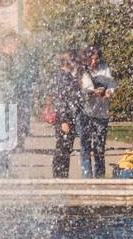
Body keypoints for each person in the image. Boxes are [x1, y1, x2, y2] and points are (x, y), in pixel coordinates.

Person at [78, 46, 114, 179]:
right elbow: (77, 91)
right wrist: (92, 92)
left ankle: (100, 176)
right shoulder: (82, 71)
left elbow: (111, 84)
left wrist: (110, 91)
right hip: (85, 113)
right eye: (91, 59)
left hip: (101, 113)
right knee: (85, 147)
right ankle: (87, 177)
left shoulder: (105, 69)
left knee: (99, 148)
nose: (94, 62)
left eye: (96, 58)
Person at [48, 51, 82, 179]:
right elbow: (60, 99)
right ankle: (60, 176)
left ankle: (61, 176)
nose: (77, 64)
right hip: (65, 118)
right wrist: (63, 120)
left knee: (65, 147)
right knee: (63, 147)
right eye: (75, 61)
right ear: (68, 62)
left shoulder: (66, 76)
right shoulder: (62, 77)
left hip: (68, 116)